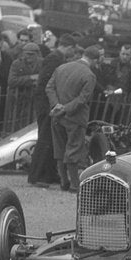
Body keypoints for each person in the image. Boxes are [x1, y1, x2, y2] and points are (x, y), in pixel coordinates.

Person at [46, 45, 102, 192]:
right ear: (95, 60)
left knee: (59, 149)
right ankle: (74, 184)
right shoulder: (89, 75)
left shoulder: (62, 68)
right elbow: (83, 99)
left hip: (57, 116)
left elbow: (49, 88)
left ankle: (63, 181)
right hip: (75, 118)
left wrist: (56, 105)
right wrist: (66, 108)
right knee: (73, 150)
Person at [28, 34, 75, 188]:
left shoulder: (55, 57)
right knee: (45, 138)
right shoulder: (55, 59)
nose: (72, 53)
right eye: (72, 50)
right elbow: (45, 83)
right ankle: (37, 176)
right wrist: (52, 104)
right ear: (68, 47)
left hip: (47, 103)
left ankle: (48, 174)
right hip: (46, 104)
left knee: (50, 139)